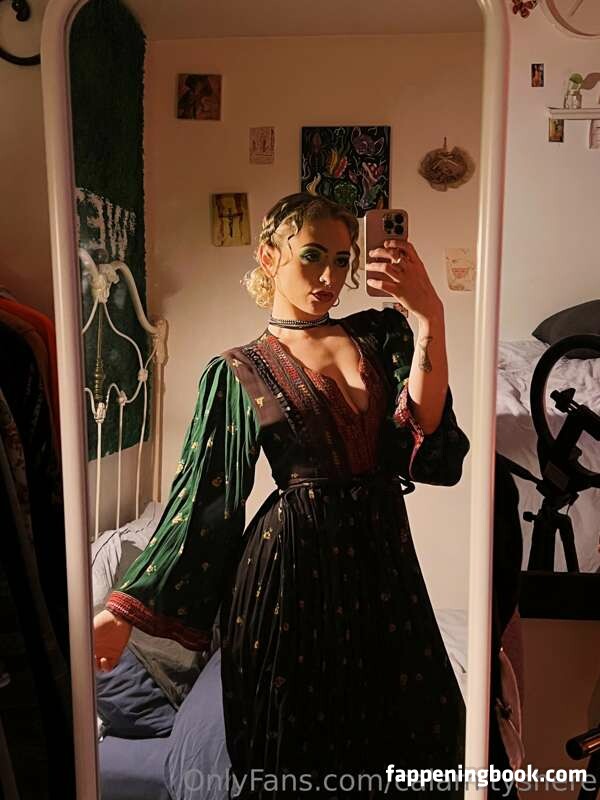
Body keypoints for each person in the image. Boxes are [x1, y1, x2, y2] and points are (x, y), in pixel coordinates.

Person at [94, 192, 470, 798]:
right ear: (269, 256)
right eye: (312, 256)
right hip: (290, 570)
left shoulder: (381, 334)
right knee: (299, 741)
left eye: (343, 261)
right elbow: (202, 507)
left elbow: (426, 432)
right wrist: (121, 613)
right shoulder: (238, 371)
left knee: (417, 726)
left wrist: (431, 317)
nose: (330, 277)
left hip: (382, 558)